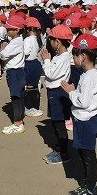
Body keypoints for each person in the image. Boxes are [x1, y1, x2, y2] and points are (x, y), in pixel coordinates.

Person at [61, 33, 97, 195]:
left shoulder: (90, 76)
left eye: (75, 55)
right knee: (83, 154)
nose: (73, 59)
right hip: (82, 120)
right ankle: (87, 183)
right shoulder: (88, 74)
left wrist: (71, 93)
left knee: (88, 156)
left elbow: (84, 102)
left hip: (87, 121)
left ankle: (91, 188)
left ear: (83, 56)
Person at [40, 25, 74, 163]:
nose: (50, 42)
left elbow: (51, 74)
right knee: (56, 123)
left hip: (58, 92)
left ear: (58, 42)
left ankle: (63, 154)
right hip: (55, 92)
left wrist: (46, 60)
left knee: (59, 124)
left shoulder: (63, 58)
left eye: (51, 40)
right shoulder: (60, 56)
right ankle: (59, 149)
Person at [0, 16, 27, 134]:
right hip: (16, 71)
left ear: (17, 30)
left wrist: (2, 49)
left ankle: (18, 123)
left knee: (16, 97)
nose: (7, 30)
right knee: (17, 97)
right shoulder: (16, 41)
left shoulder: (16, 42)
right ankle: (18, 121)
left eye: (9, 29)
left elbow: (4, 55)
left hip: (15, 72)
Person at [23, 16, 44, 117]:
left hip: (29, 64)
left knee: (29, 87)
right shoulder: (38, 38)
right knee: (35, 86)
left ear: (27, 29)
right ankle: (36, 106)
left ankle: (32, 107)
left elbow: (26, 52)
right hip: (36, 63)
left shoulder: (27, 39)